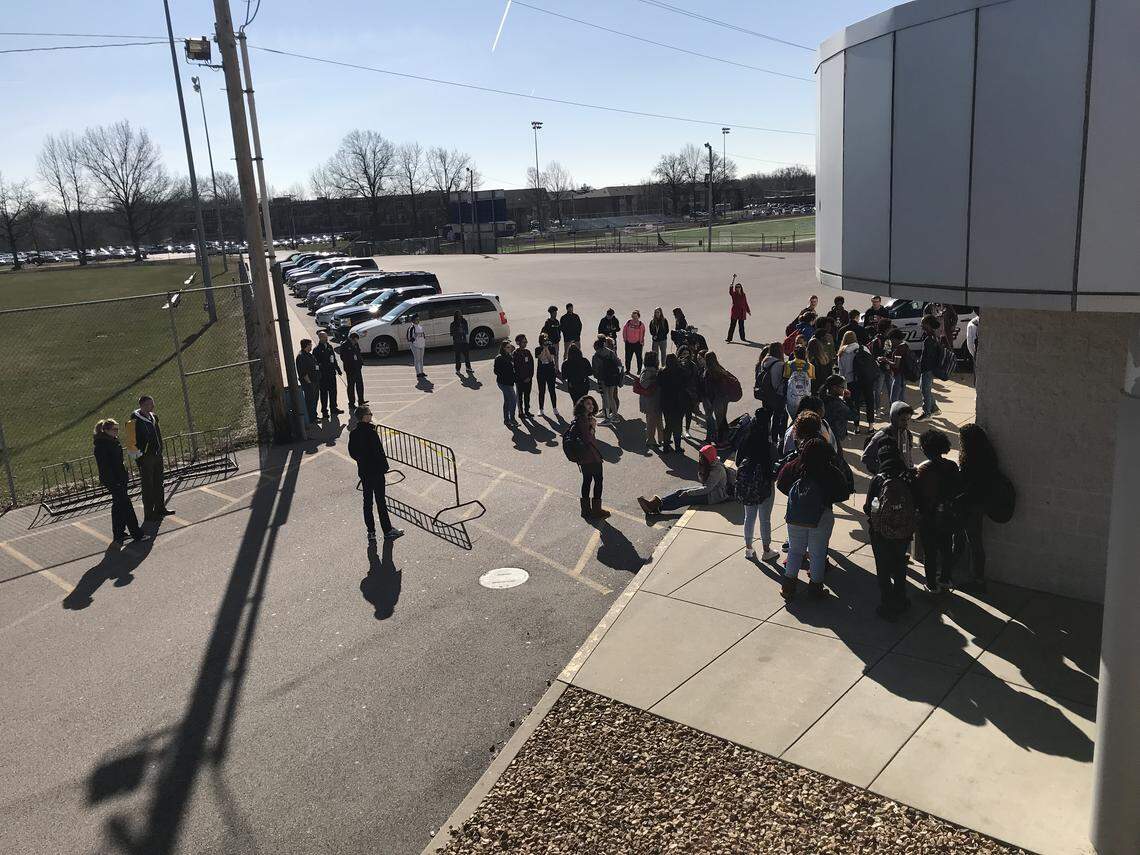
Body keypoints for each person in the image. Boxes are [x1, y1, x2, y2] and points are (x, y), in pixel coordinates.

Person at [777, 435, 847, 600]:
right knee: (817, 553)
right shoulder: (830, 472)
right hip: (821, 517)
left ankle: (788, 587)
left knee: (795, 551)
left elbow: (780, 483)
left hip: (795, 516)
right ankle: (815, 588)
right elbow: (843, 493)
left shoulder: (794, 466)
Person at [864, 441, 917, 619]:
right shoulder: (907, 477)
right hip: (903, 532)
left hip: (881, 533)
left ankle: (887, 603)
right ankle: (901, 598)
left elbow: (868, 507)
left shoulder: (878, 480)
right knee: (900, 565)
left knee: (883, 568)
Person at [347, 406, 405, 543]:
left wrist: (361, 461)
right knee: (380, 501)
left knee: (367, 503)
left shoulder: (353, 433)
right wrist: (384, 467)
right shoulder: (371, 432)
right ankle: (387, 530)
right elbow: (379, 452)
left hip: (364, 472)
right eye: (370, 414)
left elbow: (352, 453)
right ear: (364, 417)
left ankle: (371, 532)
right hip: (376, 472)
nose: (371, 415)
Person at [915, 429, 962, 593]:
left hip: (928, 516)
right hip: (947, 514)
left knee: (930, 552)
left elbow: (918, 493)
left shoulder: (923, 469)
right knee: (946, 548)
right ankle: (945, 579)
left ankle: (931, 584)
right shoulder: (952, 466)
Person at [956, 423, 998, 592]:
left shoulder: (970, 461)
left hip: (971, 505)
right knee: (974, 541)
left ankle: (977, 579)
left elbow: (969, 485)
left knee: (973, 542)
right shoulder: (988, 456)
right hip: (980, 503)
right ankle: (977, 578)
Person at [93, 419, 148, 544]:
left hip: (119, 478)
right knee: (126, 506)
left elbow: (118, 462)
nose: (117, 431)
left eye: (117, 428)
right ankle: (137, 534)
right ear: (106, 430)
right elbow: (105, 467)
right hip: (114, 480)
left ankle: (119, 534)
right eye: (114, 429)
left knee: (118, 505)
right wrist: (115, 481)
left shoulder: (112, 441)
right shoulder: (102, 446)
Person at [736, 409, 779, 561]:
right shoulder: (769, 446)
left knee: (749, 517)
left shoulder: (745, 440)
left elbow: (738, 462)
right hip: (765, 486)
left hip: (747, 484)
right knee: (765, 519)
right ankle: (766, 551)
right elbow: (775, 468)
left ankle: (748, 548)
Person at [638, 444, 729, 514]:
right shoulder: (708, 465)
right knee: (680, 491)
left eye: (702, 457)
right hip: (709, 490)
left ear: (708, 458)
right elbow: (703, 482)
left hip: (714, 496)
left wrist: (689, 492)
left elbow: (707, 489)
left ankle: (656, 508)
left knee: (684, 498)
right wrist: (701, 471)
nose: (700, 459)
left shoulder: (717, 470)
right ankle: (656, 503)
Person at [126, 395, 172, 522]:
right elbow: (130, 443)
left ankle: (160, 508)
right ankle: (149, 514)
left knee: (159, 483)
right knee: (148, 486)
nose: (152, 406)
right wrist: (139, 457)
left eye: (152, 404)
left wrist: (160, 449)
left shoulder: (153, 417)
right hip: (146, 458)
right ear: (142, 405)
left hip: (157, 455)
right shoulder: (134, 421)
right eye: (149, 404)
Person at [572, 395, 608, 519]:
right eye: (588, 404)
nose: (591, 406)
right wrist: (592, 426)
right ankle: (596, 510)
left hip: (584, 456)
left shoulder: (581, 418)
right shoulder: (584, 420)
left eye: (592, 403)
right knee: (598, 480)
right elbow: (588, 438)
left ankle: (586, 510)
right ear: (582, 406)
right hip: (590, 456)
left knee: (587, 481)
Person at [862, 401, 915, 473]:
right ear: (894, 418)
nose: (906, 423)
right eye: (903, 420)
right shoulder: (882, 436)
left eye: (908, 419)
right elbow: (865, 458)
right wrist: (884, 469)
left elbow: (908, 455)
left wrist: (910, 468)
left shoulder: (907, 434)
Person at [701, 351, 739, 443]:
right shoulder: (720, 368)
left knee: (719, 421)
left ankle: (721, 441)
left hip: (716, 400)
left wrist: (710, 403)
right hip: (724, 398)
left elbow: (708, 389)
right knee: (722, 418)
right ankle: (727, 437)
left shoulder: (708, 372)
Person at [756, 343, 787, 444]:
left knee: (767, 416)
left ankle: (765, 437)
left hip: (765, 393)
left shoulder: (764, 360)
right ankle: (775, 439)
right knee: (778, 417)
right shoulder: (780, 364)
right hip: (776, 395)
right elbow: (777, 382)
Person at [657, 352, 687, 454]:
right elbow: (685, 383)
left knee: (668, 425)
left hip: (666, 402)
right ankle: (678, 447)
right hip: (679, 402)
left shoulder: (662, 372)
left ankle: (666, 447)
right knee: (678, 425)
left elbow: (659, 384)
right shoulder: (681, 371)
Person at [592, 335, 623, 423]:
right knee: (611, 397)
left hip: (603, 379)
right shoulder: (611, 352)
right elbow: (619, 364)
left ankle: (607, 419)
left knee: (605, 398)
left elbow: (595, 369)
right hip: (612, 378)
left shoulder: (596, 356)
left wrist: (598, 377)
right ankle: (615, 416)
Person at [635, 350, 662, 449]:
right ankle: (650, 440)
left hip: (653, 400)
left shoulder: (651, 370)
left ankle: (661, 438)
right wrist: (654, 379)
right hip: (650, 401)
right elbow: (644, 384)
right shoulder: (647, 371)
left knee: (658, 419)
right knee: (651, 422)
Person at [916, 315, 942, 419]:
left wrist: (921, 366)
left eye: (923, 323)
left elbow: (928, 357)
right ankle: (934, 408)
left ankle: (926, 413)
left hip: (927, 369)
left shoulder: (929, 339)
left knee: (925, 390)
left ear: (929, 325)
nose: (921, 325)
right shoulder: (933, 336)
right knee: (924, 389)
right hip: (929, 369)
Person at [314, 330, 343, 419]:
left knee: (333, 392)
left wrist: (338, 369)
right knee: (324, 394)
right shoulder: (317, 349)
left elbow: (333, 359)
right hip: (323, 376)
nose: (326, 338)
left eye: (326, 337)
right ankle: (324, 411)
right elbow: (316, 363)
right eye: (324, 337)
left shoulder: (329, 347)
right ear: (320, 338)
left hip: (331, 374)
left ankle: (333, 408)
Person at [783, 345, 815, 420]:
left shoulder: (788, 364)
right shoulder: (811, 366)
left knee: (793, 417)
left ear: (794, 354)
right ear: (806, 354)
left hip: (791, 396)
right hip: (805, 397)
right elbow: (812, 382)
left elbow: (785, 379)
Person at [338, 332, 366, 410]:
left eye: (356, 340)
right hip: (350, 369)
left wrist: (360, 363)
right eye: (354, 340)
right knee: (351, 386)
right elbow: (343, 357)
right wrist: (351, 363)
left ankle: (361, 401)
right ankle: (351, 403)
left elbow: (358, 353)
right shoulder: (344, 345)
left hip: (357, 368)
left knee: (360, 385)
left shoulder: (356, 344)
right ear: (351, 339)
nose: (355, 342)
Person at [493, 340, 518, 426]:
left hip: (509, 382)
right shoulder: (499, 358)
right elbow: (496, 371)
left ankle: (506, 420)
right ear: (503, 348)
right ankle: (512, 419)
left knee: (507, 400)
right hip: (503, 383)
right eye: (508, 347)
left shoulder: (509, 356)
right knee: (513, 400)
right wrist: (507, 374)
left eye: (510, 347)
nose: (510, 348)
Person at [535, 334, 560, 417]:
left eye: (547, 340)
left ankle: (555, 408)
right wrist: (543, 349)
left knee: (552, 390)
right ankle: (541, 409)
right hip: (541, 372)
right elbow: (541, 358)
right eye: (544, 340)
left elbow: (550, 359)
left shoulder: (552, 348)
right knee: (541, 390)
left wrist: (547, 349)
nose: (546, 342)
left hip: (550, 371)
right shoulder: (537, 349)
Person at [296, 339, 319, 424]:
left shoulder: (309, 355)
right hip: (309, 383)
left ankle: (314, 416)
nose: (311, 346)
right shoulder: (301, 356)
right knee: (310, 401)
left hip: (315, 381)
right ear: (307, 345)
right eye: (310, 344)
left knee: (315, 400)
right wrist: (309, 383)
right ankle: (311, 418)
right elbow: (303, 372)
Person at [821, 375, 850, 443]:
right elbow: (855, 416)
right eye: (842, 387)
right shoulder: (839, 404)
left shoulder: (823, 398)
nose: (844, 389)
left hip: (825, 434)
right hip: (835, 437)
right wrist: (848, 400)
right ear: (834, 387)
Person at [885, 328, 910, 405]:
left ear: (895, 339)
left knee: (894, 400)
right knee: (901, 398)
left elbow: (896, 365)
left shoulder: (899, 349)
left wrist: (886, 361)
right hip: (903, 375)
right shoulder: (905, 345)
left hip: (898, 376)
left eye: (891, 340)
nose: (891, 342)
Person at [513, 334, 535, 418]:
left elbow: (531, 365)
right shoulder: (515, 354)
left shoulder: (527, 352)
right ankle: (520, 412)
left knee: (527, 396)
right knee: (520, 397)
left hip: (528, 379)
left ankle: (527, 411)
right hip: (520, 380)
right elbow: (516, 368)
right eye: (523, 342)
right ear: (518, 343)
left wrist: (530, 376)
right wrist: (522, 378)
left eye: (526, 341)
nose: (526, 343)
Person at [622, 309, 646, 374]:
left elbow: (643, 333)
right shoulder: (628, 323)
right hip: (629, 343)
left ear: (638, 316)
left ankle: (639, 370)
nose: (634, 318)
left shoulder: (641, 324)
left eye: (636, 316)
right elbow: (624, 331)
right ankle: (628, 370)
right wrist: (625, 339)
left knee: (639, 358)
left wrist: (641, 341)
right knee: (628, 358)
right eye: (633, 316)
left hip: (638, 344)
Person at [407, 312, 427, 379]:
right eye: (416, 319)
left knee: (421, 359)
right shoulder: (412, 328)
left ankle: (422, 372)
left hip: (421, 345)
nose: (418, 321)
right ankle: (418, 373)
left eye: (418, 319)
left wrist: (423, 342)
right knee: (417, 359)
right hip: (415, 346)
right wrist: (414, 341)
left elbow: (423, 336)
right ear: (413, 320)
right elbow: (409, 338)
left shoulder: (420, 327)